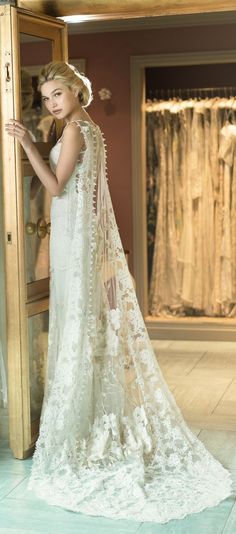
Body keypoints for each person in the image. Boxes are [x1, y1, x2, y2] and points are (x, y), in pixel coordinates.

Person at [5, 62, 232, 523]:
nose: (51, 103)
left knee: (75, 330)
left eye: (56, 94)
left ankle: (78, 431)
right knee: (80, 331)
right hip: (78, 236)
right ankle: (86, 423)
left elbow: (54, 186)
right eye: (45, 97)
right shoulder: (88, 127)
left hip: (74, 238)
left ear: (75, 91)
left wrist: (27, 144)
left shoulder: (73, 131)